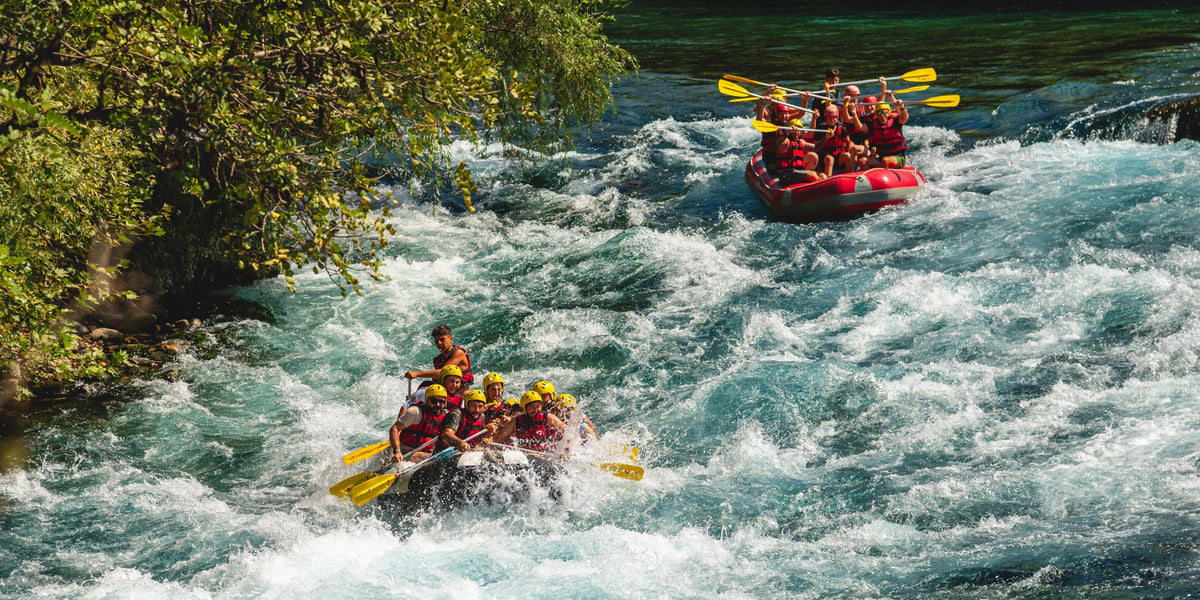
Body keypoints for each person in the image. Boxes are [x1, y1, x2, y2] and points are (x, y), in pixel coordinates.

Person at [846, 79, 910, 169]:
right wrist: (854, 114)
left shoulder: (895, 121)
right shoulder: (873, 124)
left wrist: (902, 108)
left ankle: (887, 179)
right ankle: (870, 181)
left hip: (898, 157)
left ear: (888, 113)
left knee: (885, 161)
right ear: (876, 114)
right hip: (882, 157)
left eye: (884, 113)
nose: (882, 116)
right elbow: (860, 126)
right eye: (879, 113)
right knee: (862, 161)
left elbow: (905, 117)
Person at [389, 383, 450, 463]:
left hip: (428, 453)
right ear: (427, 401)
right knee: (435, 458)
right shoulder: (415, 412)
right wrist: (397, 451)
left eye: (441, 401)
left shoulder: (447, 416)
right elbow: (394, 429)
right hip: (406, 452)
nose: (438, 404)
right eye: (434, 401)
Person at [493, 390, 567, 453]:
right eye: (532, 407)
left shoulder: (548, 417)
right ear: (524, 408)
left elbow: (569, 432)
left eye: (538, 406)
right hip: (526, 457)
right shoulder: (515, 422)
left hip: (547, 455)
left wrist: (567, 450)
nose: (535, 410)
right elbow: (498, 439)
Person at [404, 324, 474, 388]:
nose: (439, 343)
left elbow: (443, 372)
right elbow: (437, 381)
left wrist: (417, 374)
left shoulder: (458, 353)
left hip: (460, 397)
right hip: (444, 397)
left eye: (442, 339)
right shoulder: (438, 359)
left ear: (450, 339)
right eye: (436, 341)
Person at [812, 104, 859, 178]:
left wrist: (846, 151)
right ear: (826, 118)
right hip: (825, 157)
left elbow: (848, 142)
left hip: (838, 156)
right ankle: (827, 180)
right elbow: (815, 145)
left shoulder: (842, 129)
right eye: (830, 118)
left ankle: (851, 177)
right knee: (830, 159)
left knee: (847, 155)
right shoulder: (821, 129)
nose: (832, 120)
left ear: (837, 118)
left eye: (834, 118)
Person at [773, 116, 822, 185]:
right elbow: (779, 141)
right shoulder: (785, 142)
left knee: (823, 176)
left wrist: (826, 137)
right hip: (786, 175)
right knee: (813, 175)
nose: (797, 132)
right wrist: (787, 132)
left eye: (799, 130)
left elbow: (816, 147)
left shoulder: (801, 142)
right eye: (794, 130)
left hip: (797, 173)